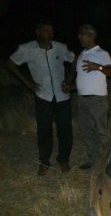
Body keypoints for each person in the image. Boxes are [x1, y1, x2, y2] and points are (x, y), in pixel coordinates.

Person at [6, 19, 75, 175]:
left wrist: (69, 80)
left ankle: (63, 160)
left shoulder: (60, 47)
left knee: (65, 129)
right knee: (44, 130)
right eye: (46, 31)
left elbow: (74, 60)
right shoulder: (26, 49)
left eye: (51, 31)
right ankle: (44, 161)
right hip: (43, 95)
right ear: (37, 32)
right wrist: (27, 83)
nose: (50, 34)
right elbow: (10, 63)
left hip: (62, 96)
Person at [73, 24, 111, 169]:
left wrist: (97, 66)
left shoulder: (102, 53)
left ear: (91, 36)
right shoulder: (81, 54)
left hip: (97, 99)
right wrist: (71, 87)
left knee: (101, 132)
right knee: (87, 131)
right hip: (82, 99)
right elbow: (84, 78)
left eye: (82, 34)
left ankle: (106, 164)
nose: (79, 37)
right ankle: (93, 160)